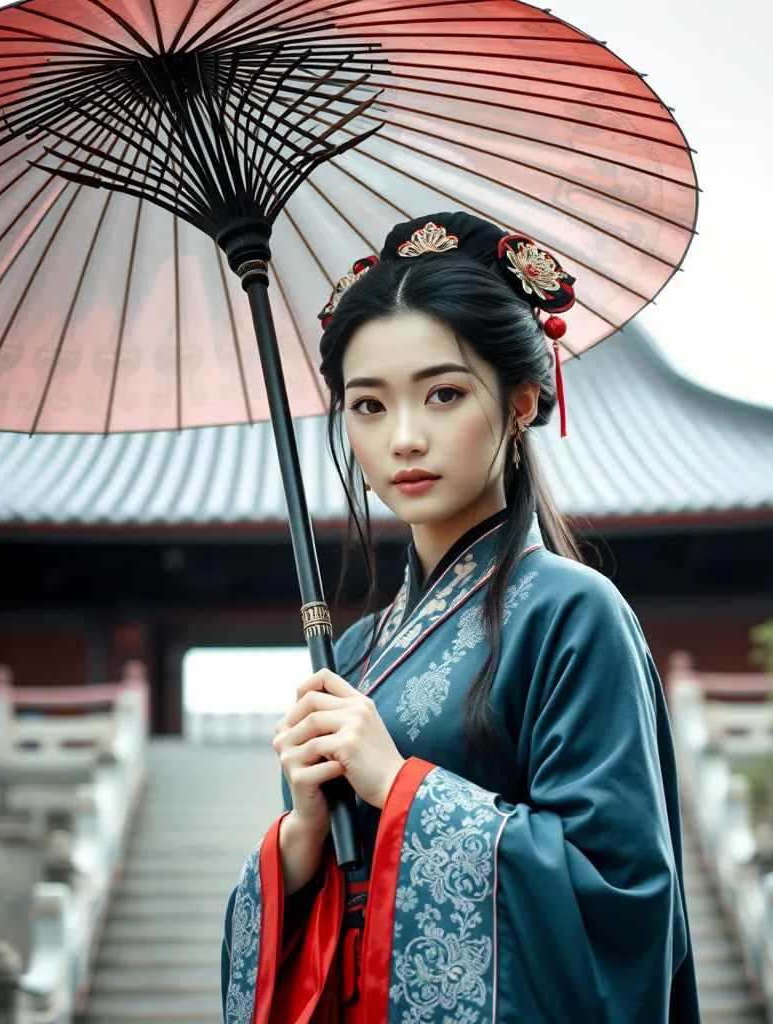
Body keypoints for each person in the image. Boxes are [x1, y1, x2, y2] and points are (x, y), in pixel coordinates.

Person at [221, 211, 701, 1023]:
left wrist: (397, 786)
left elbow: (623, 903)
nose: (404, 438)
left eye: (443, 394)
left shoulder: (572, 615)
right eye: (368, 406)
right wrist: (300, 840)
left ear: (519, 403)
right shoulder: (356, 654)